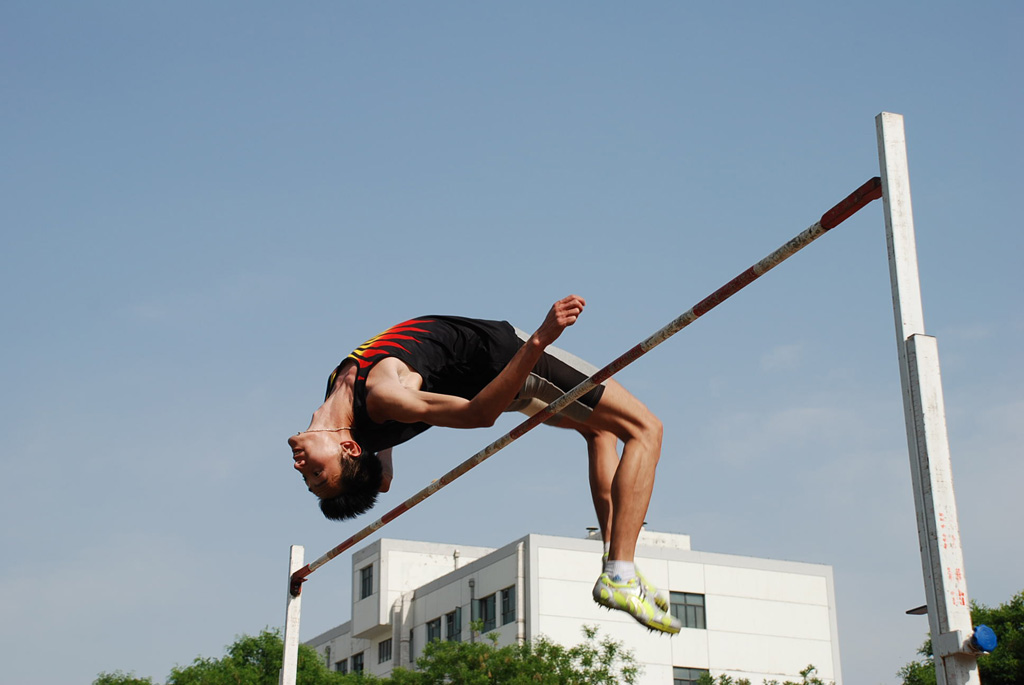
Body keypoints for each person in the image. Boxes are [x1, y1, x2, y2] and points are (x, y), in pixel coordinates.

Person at [289, 295, 681, 634]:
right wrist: (542, 338)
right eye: (317, 474)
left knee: (600, 432)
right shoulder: (383, 396)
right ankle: (621, 572)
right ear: (349, 449)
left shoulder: (348, 403)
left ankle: (616, 556)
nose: (302, 468)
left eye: (310, 479)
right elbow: (479, 415)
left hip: (490, 379)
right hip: (512, 364)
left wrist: (376, 470)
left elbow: (383, 473)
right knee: (645, 428)